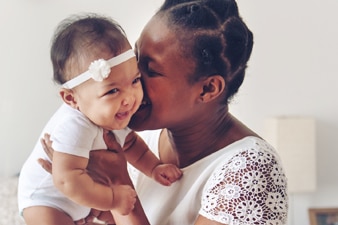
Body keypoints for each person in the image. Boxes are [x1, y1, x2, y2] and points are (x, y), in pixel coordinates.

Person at [40, 0, 289, 224]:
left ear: (207, 88)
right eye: (134, 57)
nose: (130, 76)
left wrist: (116, 182)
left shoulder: (251, 171)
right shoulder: (136, 143)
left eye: (151, 70)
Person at [17, 13, 182, 225]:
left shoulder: (111, 115)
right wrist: (112, 199)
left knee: (119, 216)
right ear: (71, 98)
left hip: (85, 195)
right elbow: (66, 179)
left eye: (135, 80)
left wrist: (153, 168)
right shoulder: (74, 126)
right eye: (112, 90)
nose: (129, 98)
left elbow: (131, 145)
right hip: (48, 200)